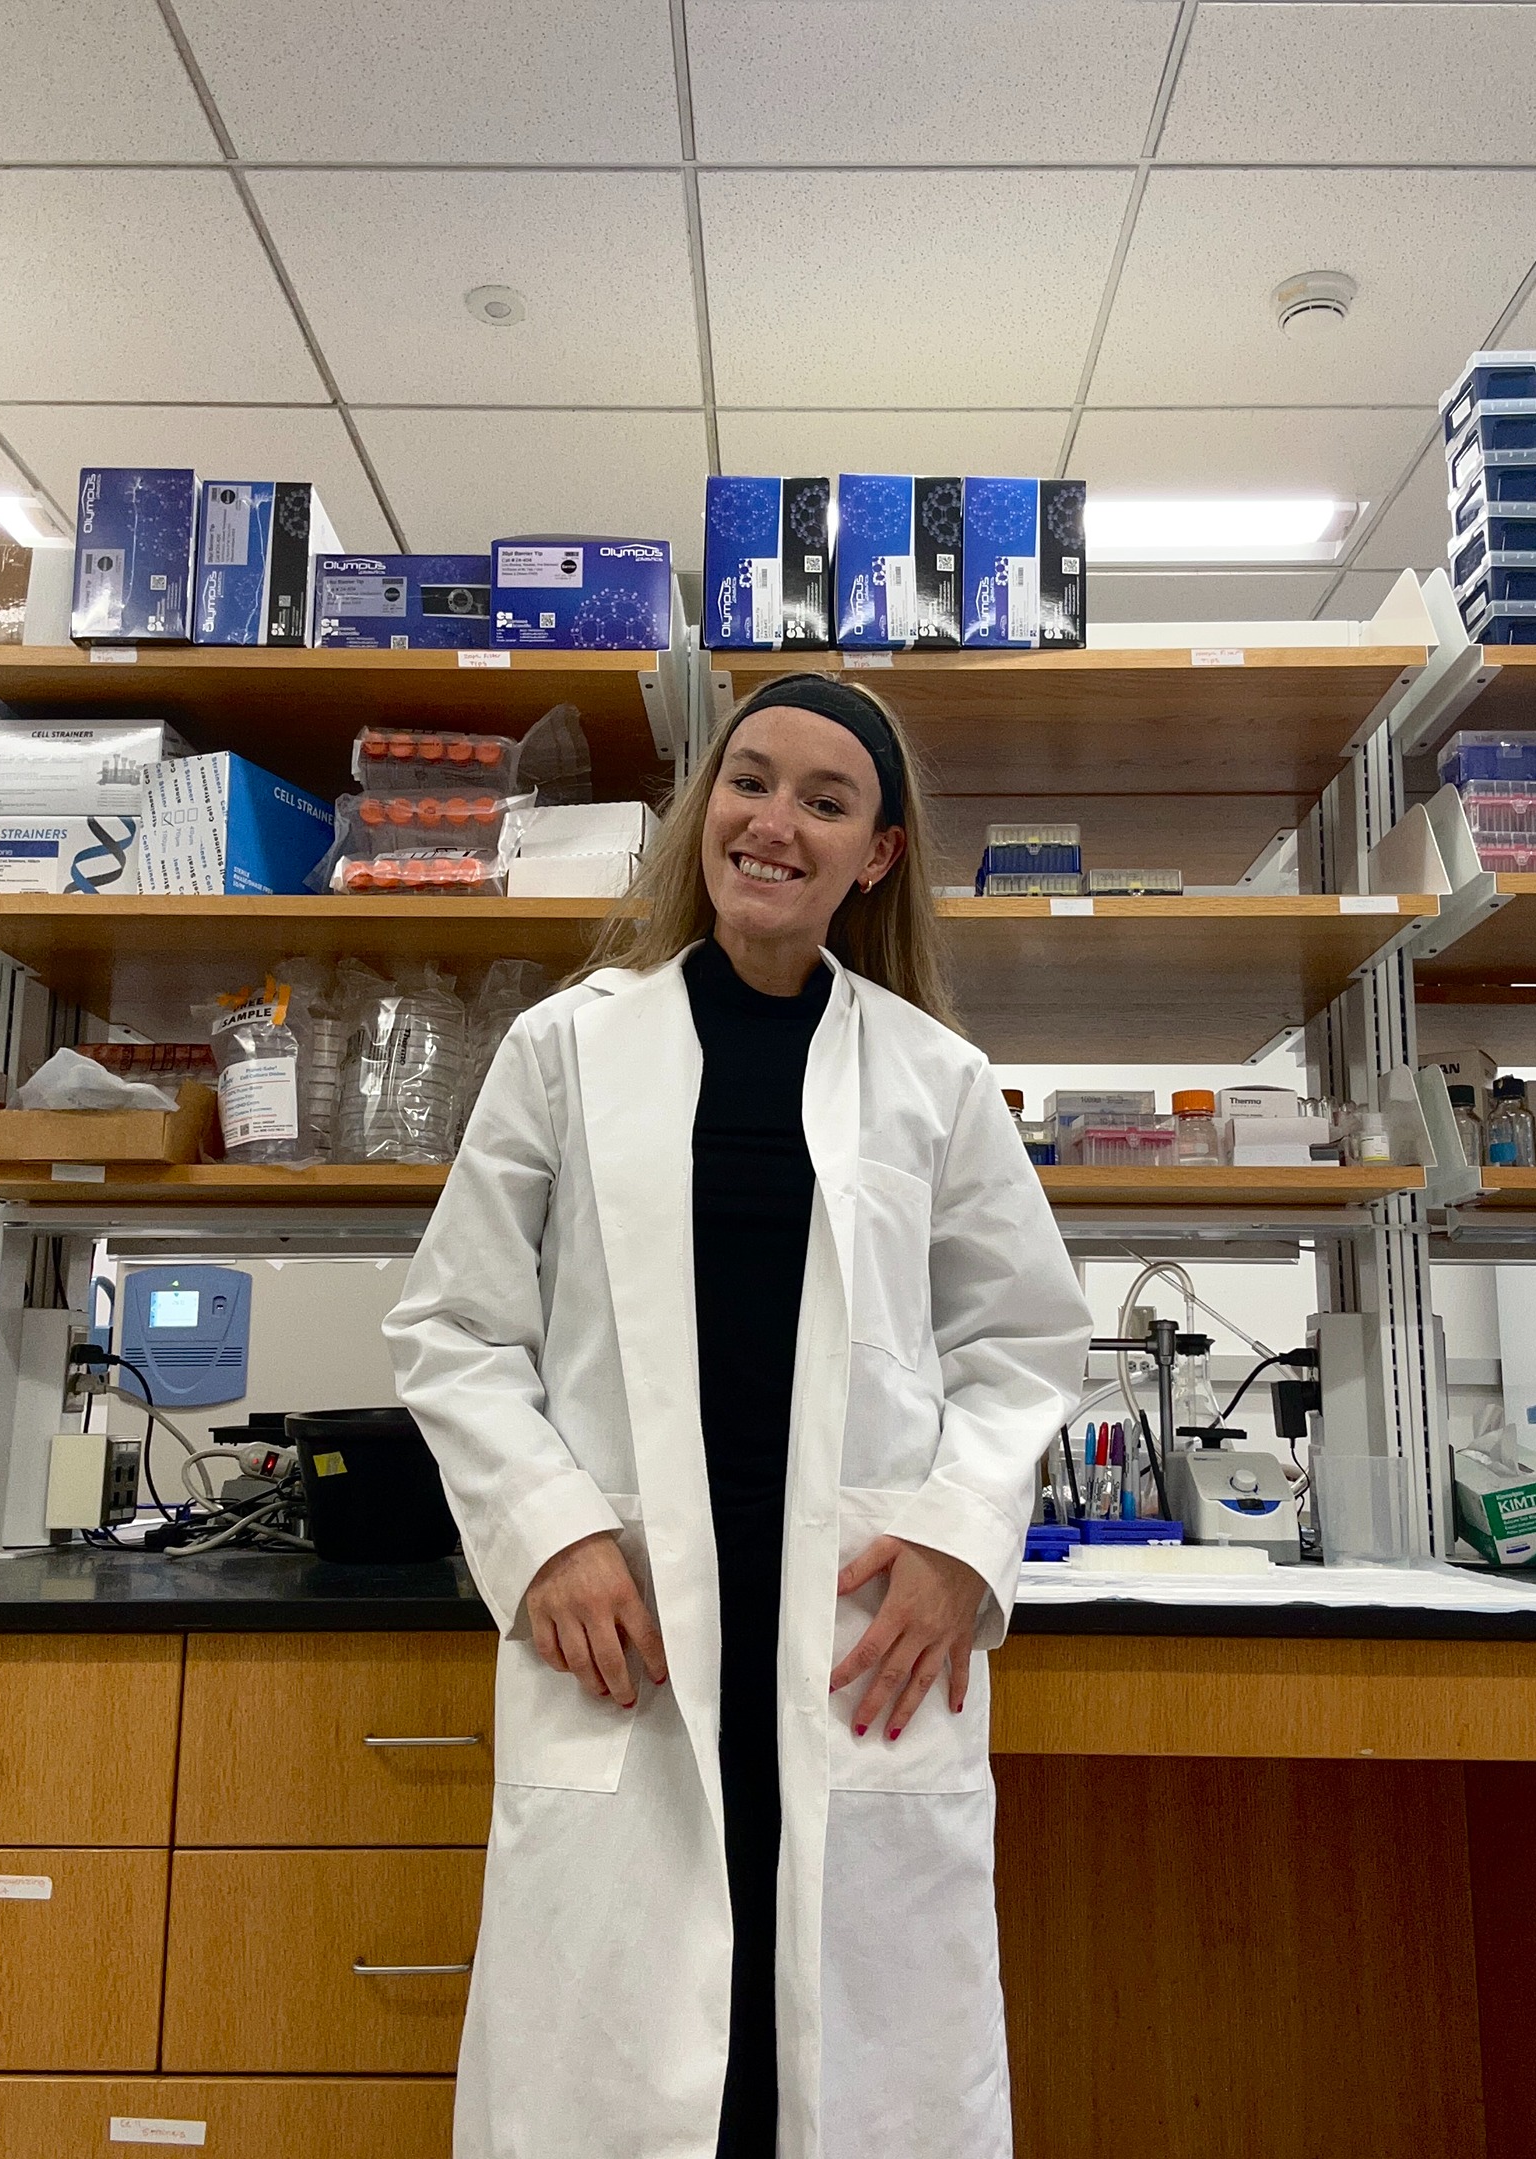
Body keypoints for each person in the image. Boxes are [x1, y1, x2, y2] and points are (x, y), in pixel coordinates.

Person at [384, 673, 1091, 2159]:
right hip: (628, 1630)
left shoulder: (935, 1081)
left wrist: (963, 1541)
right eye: (750, 781)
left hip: (854, 1648)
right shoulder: (568, 1051)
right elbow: (454, 1324)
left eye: (826, 802)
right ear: (704, 807)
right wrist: (553, 1531)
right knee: (633, 2075)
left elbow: (1021, 1344)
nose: (776, 822)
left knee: (844, 2070)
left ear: (876, 854)